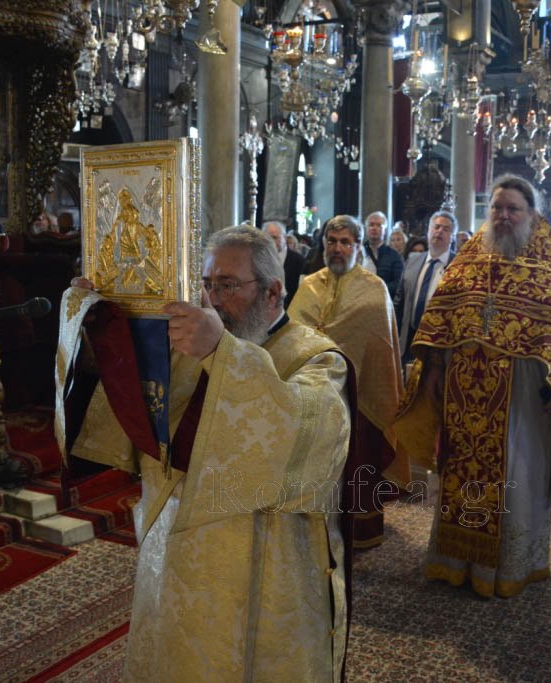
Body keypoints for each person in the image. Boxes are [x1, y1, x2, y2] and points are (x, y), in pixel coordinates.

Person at [64, 225, 352, 680]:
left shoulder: (315, 357)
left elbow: (312, 432)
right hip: (180, 554)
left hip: (269, 565)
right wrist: (100, 322)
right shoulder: (190, 343)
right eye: (207, 283)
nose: (213, 300)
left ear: (273, 292)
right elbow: (138, 402)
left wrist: (224, 354)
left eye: (228, 285)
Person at [393, 174, 551, 598]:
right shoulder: (468, 261)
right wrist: (434, 369)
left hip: (524, 398)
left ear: (531, 216)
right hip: (463, 393)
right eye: (497, 208)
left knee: (518, 476)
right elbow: (441, 320)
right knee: (460, 472)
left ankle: (510, 567)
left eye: (513, 209)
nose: (504, 216)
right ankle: (455, 563)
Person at [290, 214, 405, 548]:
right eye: (331, 241)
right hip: (313, 394)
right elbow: (294, 335)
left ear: (357, 246)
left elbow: (380, 349)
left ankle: (360, 530)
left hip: (360, 397)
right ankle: (311, 529)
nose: (337, 248)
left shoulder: (374, 289)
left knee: (357, 464)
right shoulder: (308, 286)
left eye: (344, 242)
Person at [397, 211, 457, 363]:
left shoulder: (459, 266)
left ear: (452, 237)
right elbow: (400, 300)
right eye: (436, 227)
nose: (439, 231)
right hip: (410, 337)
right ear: (428, 231)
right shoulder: (413, 260)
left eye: (446, 229)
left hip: (440, 342)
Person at [263, 219, 305, 305]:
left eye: (275, 237)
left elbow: (301, 291)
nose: (271, 241)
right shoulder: (258, 258)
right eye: (268, 238)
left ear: (285, 238)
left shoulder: (299, 261)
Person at [361, 210, 405, 294]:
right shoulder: (358, 252)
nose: (374, 228)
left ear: (385, 229)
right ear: (366, 228)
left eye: (379, 225)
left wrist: (377, 289)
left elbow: (398, 283)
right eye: (371, 225)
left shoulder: (394, 256)